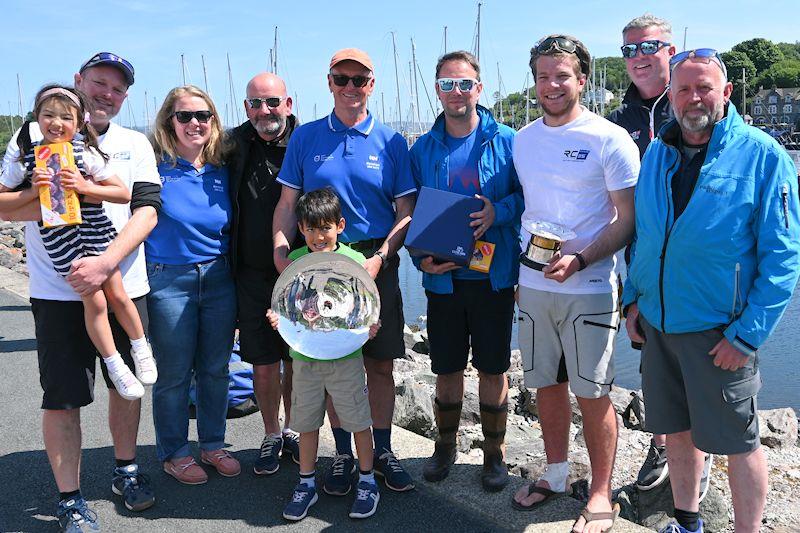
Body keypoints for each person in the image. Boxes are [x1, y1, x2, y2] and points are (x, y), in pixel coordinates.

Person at [623, 49, 800, 533]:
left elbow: (784, 258)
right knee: (676, 433)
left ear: (726, 93)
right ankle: (688, 522)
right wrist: (632, 299)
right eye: (683, 89)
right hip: (658, 327)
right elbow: (644, 236)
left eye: (704, 87)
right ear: (671, 97)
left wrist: (748, 335)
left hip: (721, 334)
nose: (693, 97)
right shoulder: (658, 152)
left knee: (739, 444)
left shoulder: (763, 156)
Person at [0, 52, 161, 529]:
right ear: (78, 83)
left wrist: (106, 263)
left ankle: (126, 470)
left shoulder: (135, 144)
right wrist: (43, 192)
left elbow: (146, 209)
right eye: (98, 83)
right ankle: (70, 497)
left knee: (127, 390)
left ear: (125, 96)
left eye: (116, 88)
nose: (105, 94)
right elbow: (5, 207)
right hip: (56, 290)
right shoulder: (29, 140)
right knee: (63, 397)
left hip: (124, 282)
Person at [510, 35, 640, 533]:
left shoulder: (609, 138)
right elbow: (529, 211)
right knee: (545, 384)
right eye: (543, 76)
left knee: (593, 392)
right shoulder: (523, 139)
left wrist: (582, 256)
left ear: (582, 80)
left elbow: (627, 220)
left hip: (589, 287)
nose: (552, 85)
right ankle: (557, 475)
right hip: (534, 282)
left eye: (562, 75)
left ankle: (602, 492)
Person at [273, 48, 416, 494]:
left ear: (372, 84)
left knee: (379, 363)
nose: (351, 87)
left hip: (374, 262)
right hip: (317, 265)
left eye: (360, 79)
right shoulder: (306, 137)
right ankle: (342, 455)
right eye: (342, 78)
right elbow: (286, 205)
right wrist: (280, 249)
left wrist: (381, 258)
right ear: (329, 82)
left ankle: (385, 449)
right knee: (332, 357)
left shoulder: (392, 141)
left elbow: (406, 211)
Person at [607, 14, 714, 499]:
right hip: (644, 268)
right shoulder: (619, 122)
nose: (640, 57)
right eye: (629, 50)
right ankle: (662, 443)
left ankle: (704, 451)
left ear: (672, 49)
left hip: (700, 271)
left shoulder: (695, 105)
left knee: (705, 365)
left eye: (650, 46)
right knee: (655, 358)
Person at [408, 50, 522, 492]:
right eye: (447, 84)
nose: (456, 92)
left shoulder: (510, 140)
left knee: (494, 369)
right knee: (447, 367)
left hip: (494, 278)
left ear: (479, 87)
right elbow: (411, 211)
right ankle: (445, 447)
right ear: (437, 89)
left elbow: (531, 201)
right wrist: (420, 258)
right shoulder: (422, 148)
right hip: (443, 278)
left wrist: (500, 210)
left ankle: (495, 456)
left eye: (464, 84)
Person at [0, 84, 156, 403]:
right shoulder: (27, 157)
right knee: (95, 303)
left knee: (117, 293)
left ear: (79, 123)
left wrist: (85, 186)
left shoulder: (86, 153)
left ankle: (141, 349)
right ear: (36, 117)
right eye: (48, 115)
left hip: (96, 229)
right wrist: (34, 190)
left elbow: (123, 193)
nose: (56, 123)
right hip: (59, 237)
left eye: (65, 117)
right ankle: (117, 366)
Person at [267, 187, 382, 521]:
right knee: (305, 424)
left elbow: (368, 305)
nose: (319, 236)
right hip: (304, 359)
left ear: (340, 225)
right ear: (301, 229)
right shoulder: (296, 264)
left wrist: (371, 325)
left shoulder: (355, 262)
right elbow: (288, 307)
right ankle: (306, 483)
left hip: (346, 358)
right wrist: (278, 318)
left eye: (326, 228)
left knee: (359, 421)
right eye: (311, 228)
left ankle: (367, 480)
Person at [148, 85, 240, 485]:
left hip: (219, 277)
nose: (195, 123)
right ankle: (174, 451)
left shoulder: (223, 167)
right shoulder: (153, 166)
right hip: (169, 279)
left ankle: (213, 443)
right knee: (173, 373)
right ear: (170, 121)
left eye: (203, 115)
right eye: (184, 116)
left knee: (215, 369)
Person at [227, 72, 300, 475]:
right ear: (246, 108)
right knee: (263, 362)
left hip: (297, 270)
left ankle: (293, 429)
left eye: (272, 102)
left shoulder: (306, 142)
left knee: (296, 359)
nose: (264, 111)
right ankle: (271, 433)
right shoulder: (233, 143)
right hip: (250, 273)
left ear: (288, 104)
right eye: (256, 103)